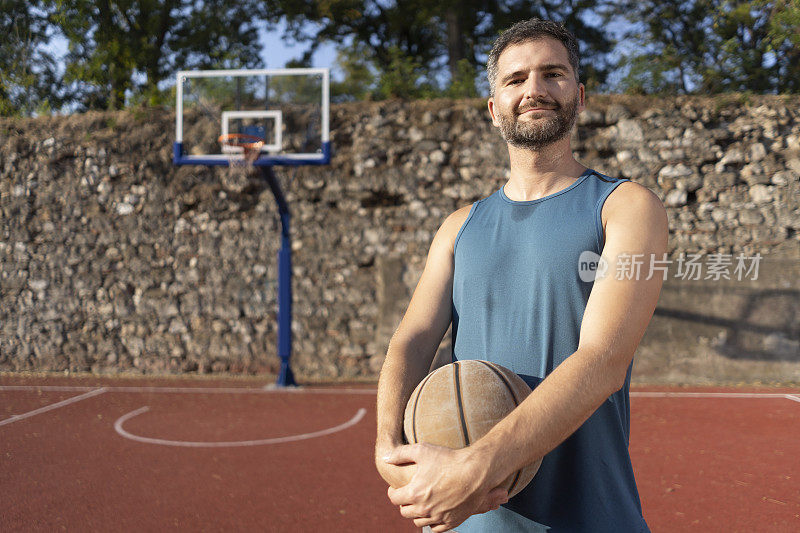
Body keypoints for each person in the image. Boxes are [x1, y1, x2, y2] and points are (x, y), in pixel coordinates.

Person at [374, 18, 667, 533]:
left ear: (579, 94)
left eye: (552, 74)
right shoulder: (458, 227)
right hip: (468, 521)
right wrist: (386, 445)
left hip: (590, 517)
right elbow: (412, 340)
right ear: (494, 109)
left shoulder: (626, 207)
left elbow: (603, 359)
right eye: (515, 79)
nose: (534, 89)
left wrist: (477, 465)